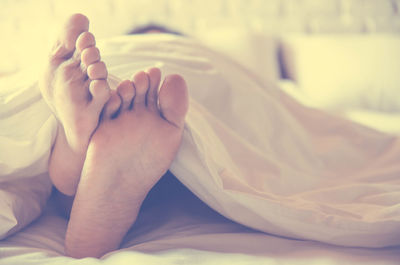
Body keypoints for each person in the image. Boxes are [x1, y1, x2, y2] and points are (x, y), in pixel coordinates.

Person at [40, 13, 400, 258]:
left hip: (139, 95)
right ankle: (85, 154)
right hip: (179, 105)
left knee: (147, 101)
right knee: (198, 121)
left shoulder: (203, 63)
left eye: (163, 42)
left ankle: (74, 162)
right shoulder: (209, 63)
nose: (162, 44)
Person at [40, 13, 189, 258]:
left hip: (144, 128)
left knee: (141, 131)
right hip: (162, 147)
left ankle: (76, 156)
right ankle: (84, 156)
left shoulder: (194, 55)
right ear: (128, 44)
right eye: (144, 44)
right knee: (177, 167)